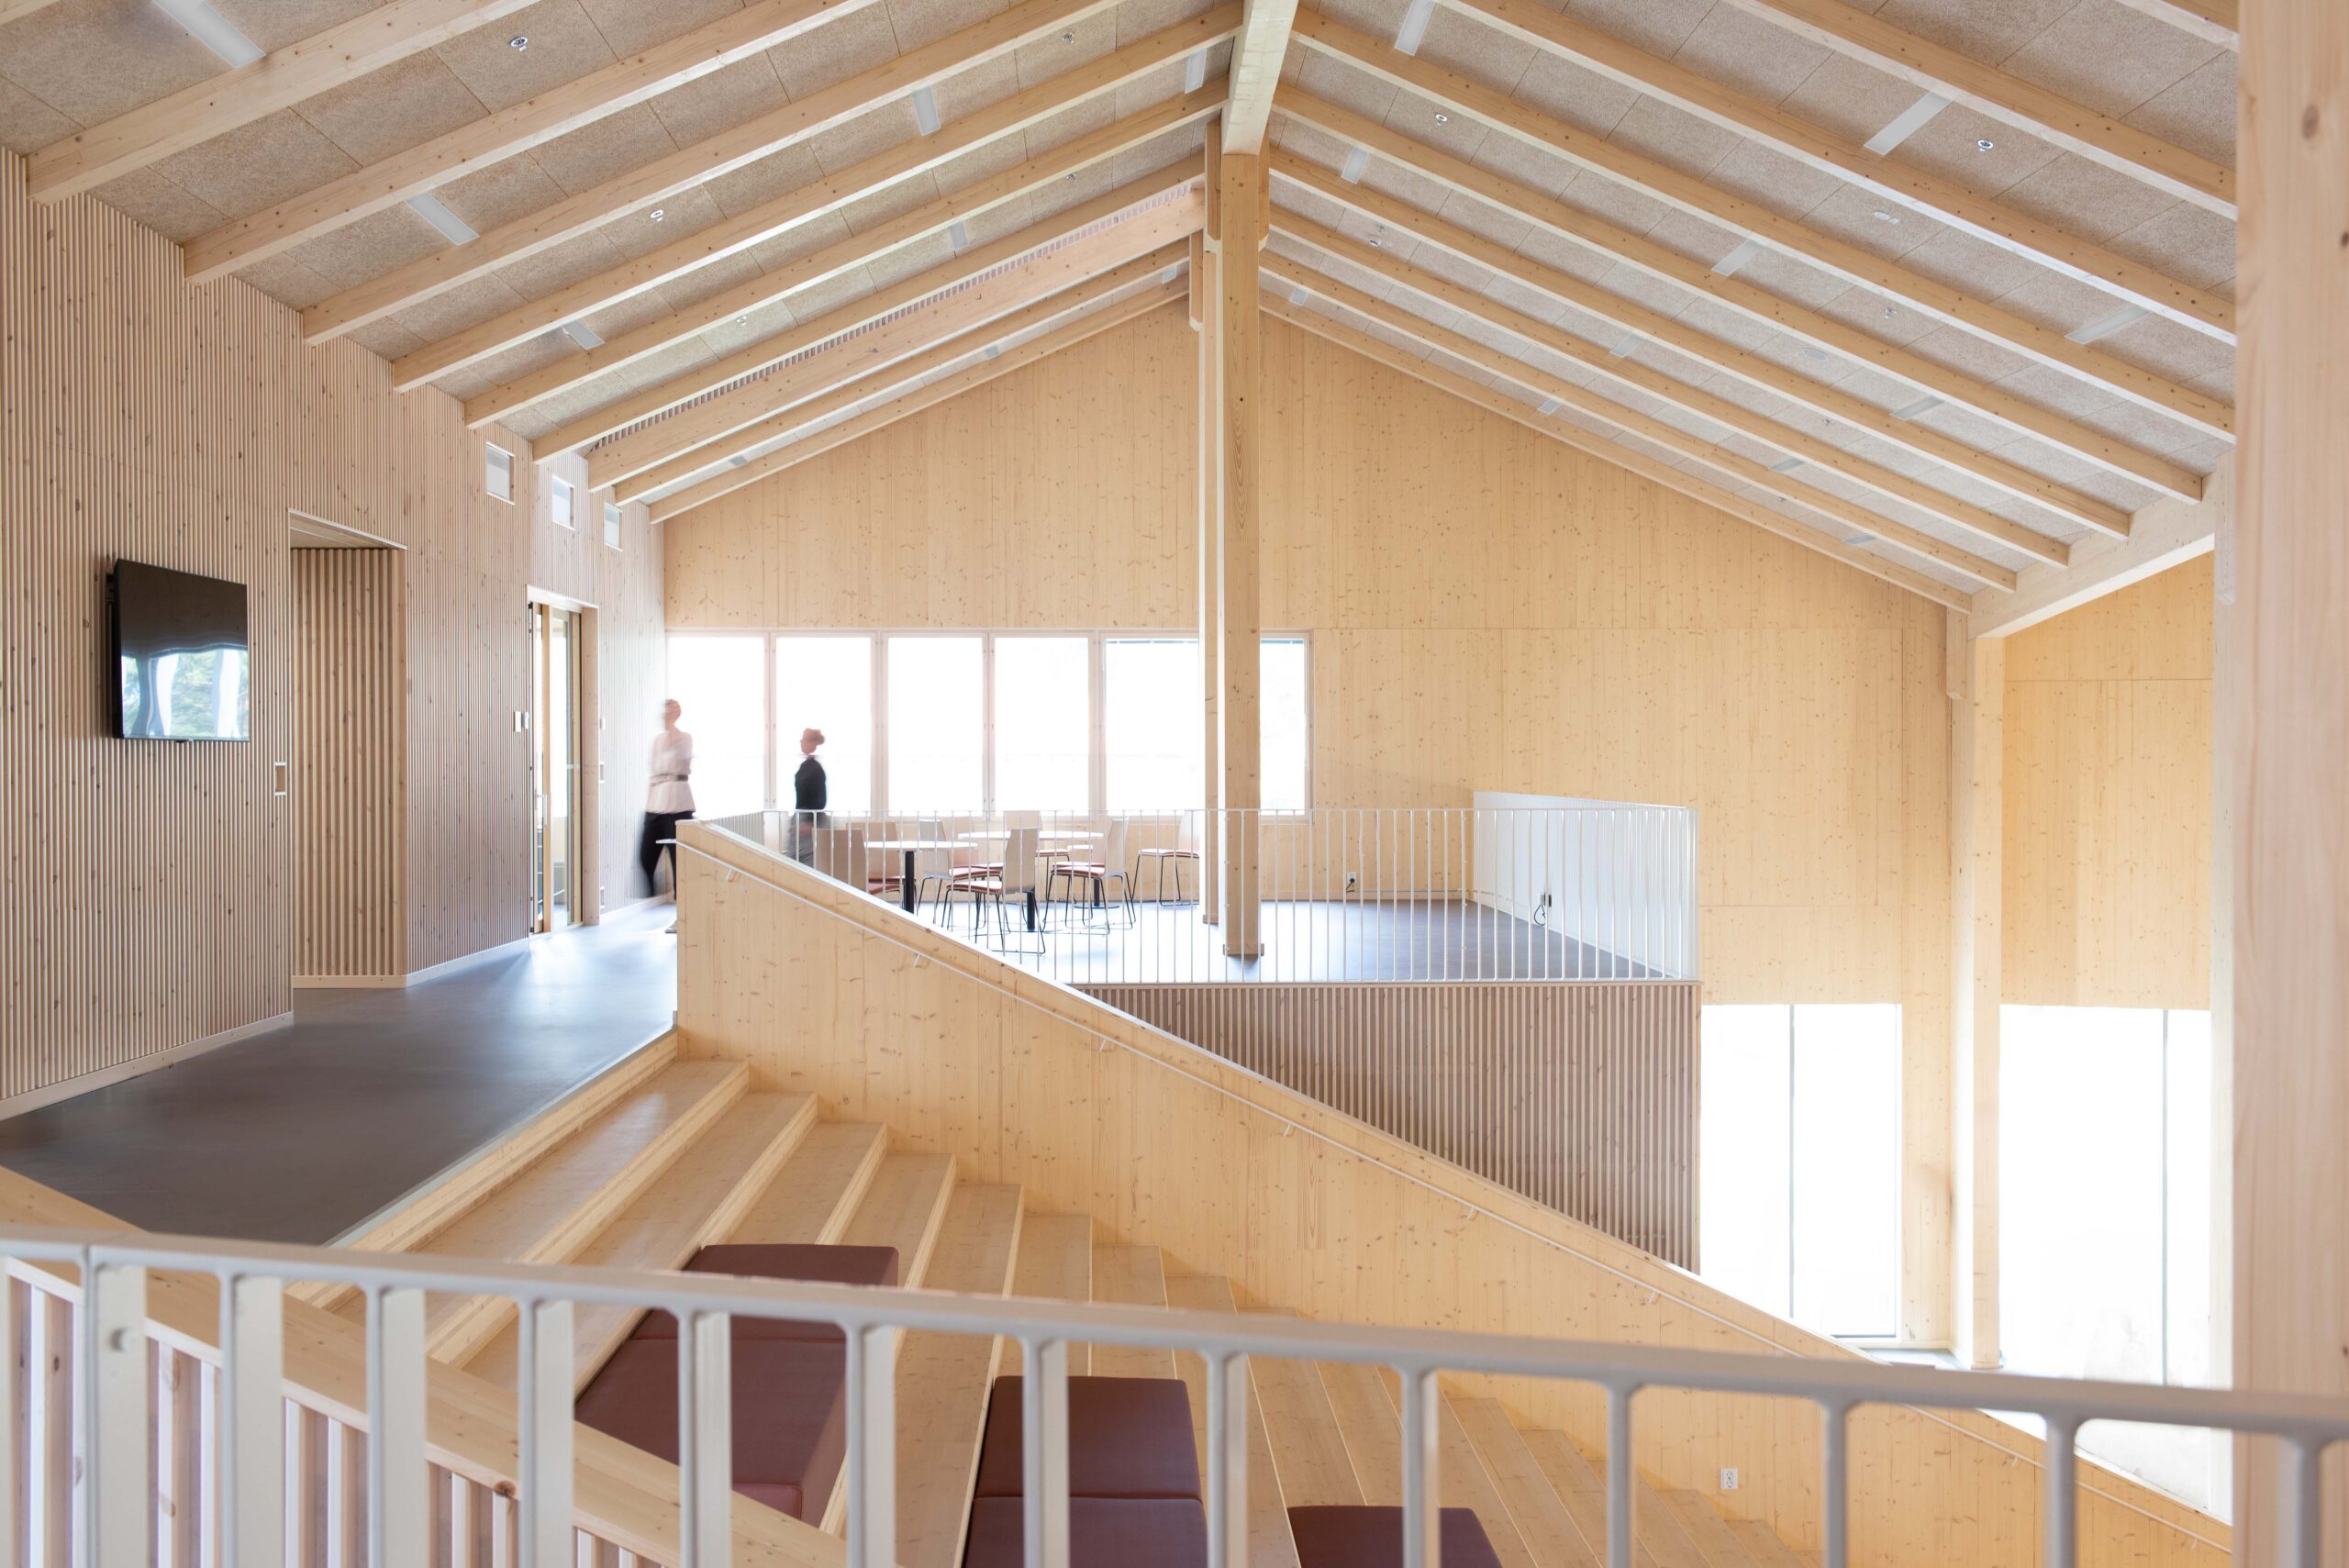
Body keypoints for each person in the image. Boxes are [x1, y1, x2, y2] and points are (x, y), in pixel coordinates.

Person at [640, 699, 695, 922]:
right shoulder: (657, 741)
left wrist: (672, 726)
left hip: (678, 802)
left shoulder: (684, 738)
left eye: (671, 712)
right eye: (664, 712)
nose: (666, 716)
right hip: (657, 802)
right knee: (645, 855)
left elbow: (682, 759)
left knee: (678, 860)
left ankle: (683, 913)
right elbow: (653, 771)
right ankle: (652, 891)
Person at [791, 727, 827, 864]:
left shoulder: (814, 768)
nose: (800, 742)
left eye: (803, 739)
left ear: (811, 743)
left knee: (807, 859)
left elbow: (820, 798)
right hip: (803, 817)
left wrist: (809, 821)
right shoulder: (806, 766)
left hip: (809, 819)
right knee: (799, 858)